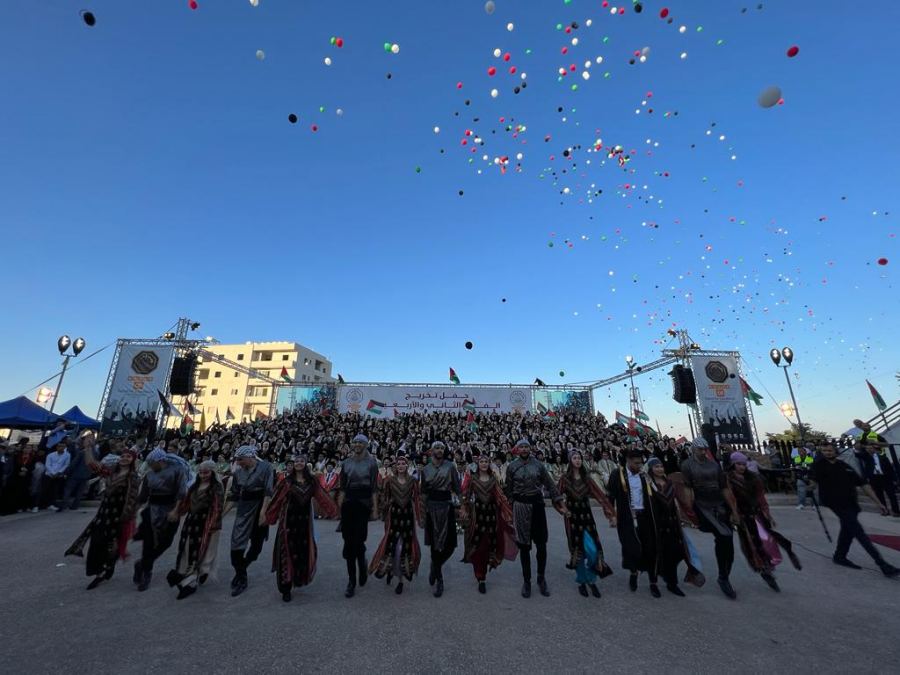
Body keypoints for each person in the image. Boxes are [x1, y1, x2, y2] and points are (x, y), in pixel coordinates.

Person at [809, 443, 899, 577]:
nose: (827, 453)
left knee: (847, 529)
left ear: (835, 451)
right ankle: (883, 565)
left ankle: (840, 556)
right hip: (836, 503)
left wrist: (878, 503)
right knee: (858, 532)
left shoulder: (844, 466)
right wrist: (809, 486)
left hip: (852, 503)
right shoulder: (818, 466)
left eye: (829, 450)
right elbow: (813, 482)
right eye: (824, 451)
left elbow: (863, 484)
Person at [65, 447, 140, 589]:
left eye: (128, 457)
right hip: (104, 512)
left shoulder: (133, 477)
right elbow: (92, 465)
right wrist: (88, 448)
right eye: (123, 456)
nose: (124, 458)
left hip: (118, 516)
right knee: (96, 541)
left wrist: (126, 518)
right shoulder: (112, 471)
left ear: (133, 460)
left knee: (111, 544)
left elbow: (132, 499)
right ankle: (100, 569)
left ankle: (105, 570)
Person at [265, 454, 337, 602]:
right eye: (296, 461)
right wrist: (269, 517)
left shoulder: (312, 481)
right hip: (288, 523)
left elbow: (322, 497)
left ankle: (297, 579)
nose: (298, 463)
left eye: (301, 461)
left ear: (306, 463)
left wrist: (334, 512)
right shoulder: (287, 482)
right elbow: (277, 500)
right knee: (286, 552)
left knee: (302, 551)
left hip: (304, 523)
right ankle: (285, 587)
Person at [726, 451, 802, 592]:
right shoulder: (728, 480)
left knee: (768, 539)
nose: (742, 467)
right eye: (738, 464)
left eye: (744, 464)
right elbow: (729, 500)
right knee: (752, 544)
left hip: (757, 514)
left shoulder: (753, 478)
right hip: (743, 517)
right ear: (733, 464)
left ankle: (780, 558)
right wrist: (734, 514)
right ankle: (764, 570)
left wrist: (767, 514)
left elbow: (761, 497)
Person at [504, 439, 570, 598]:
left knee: (541, 545)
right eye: (521, 447)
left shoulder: (539, 465)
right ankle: (527, 581)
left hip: (537, 506)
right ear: (517, 449)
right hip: (520, 506)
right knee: (524, 546)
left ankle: (541, 578)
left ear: (530, 449)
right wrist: (512, 506)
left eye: (526, 447)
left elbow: (550, 484)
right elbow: (508, 488)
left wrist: (560, 502)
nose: (524, 449)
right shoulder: (512, 467)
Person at [680, 437, 741, 599]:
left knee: (728, 544)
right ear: (693, 449)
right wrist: (688, 511)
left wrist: (733, 510)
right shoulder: (687, 465)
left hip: (719, 504)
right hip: (702, 504)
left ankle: (724, 575)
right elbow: (688, 489)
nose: (703, 452)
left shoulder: (714, 465)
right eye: (700, 449)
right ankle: (723, 578)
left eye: (705, 449)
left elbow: (724, 488)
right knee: (723, 535)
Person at [608, 448, 673, 597]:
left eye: (641, 463)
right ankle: (633, 572)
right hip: (627, 518)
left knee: (651, 548)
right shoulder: (617, 474)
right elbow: (610, 496)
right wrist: (611, 515)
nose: (639, 466)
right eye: (636, 463)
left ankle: (653, 581)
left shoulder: (645, 476)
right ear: (628, 461)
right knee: (632, 548)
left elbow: (657, 494)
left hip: (646, 516)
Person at [559, 450, 615, 598]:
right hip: (572, 517)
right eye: (574, 458)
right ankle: (582, 581)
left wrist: (611, 514)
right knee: (578, 551)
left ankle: (591, 579)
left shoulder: (587, 478)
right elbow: (556, 496)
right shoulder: (565, 479)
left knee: (593, 550)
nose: (577, 460)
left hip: (587, 517)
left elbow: (600, 496)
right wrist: (563, 508)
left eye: (579, 458)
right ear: (570, 461)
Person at [166, 460, 225, 600]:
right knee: (186, 549)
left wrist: (212, 526)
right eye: (201, 472)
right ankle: (187, 574)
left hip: (206, 524)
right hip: (191, 523)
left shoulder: (216, 488)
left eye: (206, 472)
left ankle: (191, 582)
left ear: (212, 472)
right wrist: (177, 512)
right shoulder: (194, 486)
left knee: (200, 552)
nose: (203, 475)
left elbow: (217, 508)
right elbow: (186, 503)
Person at [133, 447, 189, 591]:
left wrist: (175, 511)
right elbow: (143, 496)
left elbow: (181, 492)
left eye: (152, 463)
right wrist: (134, 511)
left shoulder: (177, 470)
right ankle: (146, 573)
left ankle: (142, 563)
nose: (150, 466)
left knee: (166, 542)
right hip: (152, 510)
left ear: (160, 461)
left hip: (170, 509)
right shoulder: (149, 475)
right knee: (149, 543)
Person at [460, 454, 516, 594]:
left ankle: (484, 571)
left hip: (491, 516)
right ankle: (481, 577)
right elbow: (466, 495)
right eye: (481, 461)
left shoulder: (493, 479)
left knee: (489, 545)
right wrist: (464, 508)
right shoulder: (473, 478)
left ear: (489, 464)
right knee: (478, 547)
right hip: (477, 515)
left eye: (486, 461)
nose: (484, 464)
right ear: (478, 464)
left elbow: (500, 497)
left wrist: (508, 512)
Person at [645, 458, 701, 596]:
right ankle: (653, 583)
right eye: (656, 467)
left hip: (672, 523)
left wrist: (691, 517)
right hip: (656, 524)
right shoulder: (648, 484)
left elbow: (680, 501)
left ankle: (672, 583)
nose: (659, 469)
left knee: (675, 553)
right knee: (656, 554)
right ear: (651, 469)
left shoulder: (670, 483)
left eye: (661, 466)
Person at [224, 445, 275, 597]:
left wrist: (263, 512)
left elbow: (268, 491)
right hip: (244, 508)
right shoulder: (238, 473)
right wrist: (221, 514)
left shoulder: (266, 467)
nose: (238, 463)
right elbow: (234, 495)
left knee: (256, 547)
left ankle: (242, 568)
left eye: (241, 459)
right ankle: (241, 576)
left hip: (260, 506)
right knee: (236, 545)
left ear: (250, 457)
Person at [368, 454, 422, 596]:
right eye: (398, 464)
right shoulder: (389, 481)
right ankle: (390, 570)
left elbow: (417, 499)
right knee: (392, 544)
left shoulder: (413, 481)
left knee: (405, 546)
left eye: (403, 464)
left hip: (407, 516)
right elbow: (384, 498)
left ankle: (401, 579)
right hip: (394, 516)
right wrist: (384, 510)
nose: (401, 466)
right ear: (395, 467)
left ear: (407, 466)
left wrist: (420, 518)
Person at [337, 433, 378, 598]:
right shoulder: (346, 463)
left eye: (361, 442)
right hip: (348, 503)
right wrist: (339, 508)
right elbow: (342, 488)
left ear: (366, 445)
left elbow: (374, 488)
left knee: (359, 539)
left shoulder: (372, 463)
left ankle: (362, 563)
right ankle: (351, 581)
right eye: (355, 442)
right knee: (348, 542)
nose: (357, 445)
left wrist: (375, 509)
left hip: (363, 504)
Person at [420, 441, 462, 598]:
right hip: (432, 507)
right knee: (434, 545)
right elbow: (423, 492)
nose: (439, 450)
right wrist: (422, 512)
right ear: (432, 450)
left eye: (442, 448)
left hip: (447, 506)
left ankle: (435, 565)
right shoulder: (426, 469)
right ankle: (439, 579)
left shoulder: (450, 466)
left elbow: (457, 488)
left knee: (450, 545)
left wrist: (462, 506)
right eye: (437, 448)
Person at [855, 440, 899, 517]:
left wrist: (894, 479)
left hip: (885, 477)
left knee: (892, 495)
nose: (869, 450)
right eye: (867, 449)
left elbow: (890, 469)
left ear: (874, 449)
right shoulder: (866, 457)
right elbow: (857, 455)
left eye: (871, 448)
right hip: (874, 478)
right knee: (879, 495)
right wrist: (857, 447)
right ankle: (885, 510)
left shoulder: (883, 457)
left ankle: (896, 511)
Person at [43, 440, 71, 511]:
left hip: (58, 475)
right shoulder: (50, 455)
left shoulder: (67, 455)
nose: (61, 448)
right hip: (49, 474)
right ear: (57, 447)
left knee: (55, 491)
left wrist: (59, 472)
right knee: (46, 490)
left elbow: (66, 465)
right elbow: (47, 465)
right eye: (59, 446)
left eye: (63, 446)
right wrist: (53, 473)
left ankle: (52, 504)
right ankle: (44, 504)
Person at [792, 445, 815, 510]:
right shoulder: (796, 458)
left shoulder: (810, 458)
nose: (800, 452)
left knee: (812, 492)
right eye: (799, 451)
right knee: (801, 492)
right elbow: (795, 467)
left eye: (802, 451)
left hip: (810, 477)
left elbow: (809, 467)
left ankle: (814, 505)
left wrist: (801, 466)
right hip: (800, 477)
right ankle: (801, 504)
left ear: (805, 452)